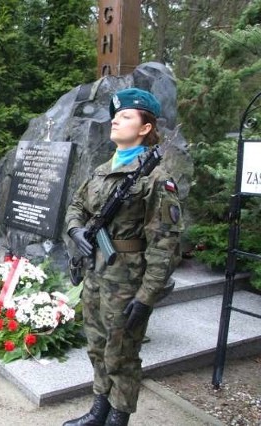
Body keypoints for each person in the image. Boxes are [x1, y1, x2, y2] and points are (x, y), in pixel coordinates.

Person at [63, 88, 183, 426]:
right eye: (116, 115)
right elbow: (76, 206)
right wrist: (76, 231)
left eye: (126, 115)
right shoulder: (102, 171)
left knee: (123, 354)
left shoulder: (156, 178)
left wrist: (146, 297)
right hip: (95, 273)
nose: (116, 119)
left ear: (145, 127)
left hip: (127, 280)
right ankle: (98, 409)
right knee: (97, 346)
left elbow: (165, 244)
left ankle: (118, 416)